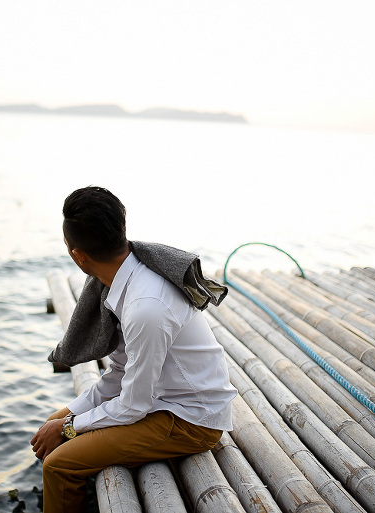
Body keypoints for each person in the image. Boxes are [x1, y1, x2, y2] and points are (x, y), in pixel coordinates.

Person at [31, 186, 237, 513]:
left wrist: (70, 428)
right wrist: (66, 419)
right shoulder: (126, 279)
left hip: (191, 419)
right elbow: (118, 374)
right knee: (51, 424)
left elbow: (133, 405)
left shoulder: (146, 307)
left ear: (78, 255)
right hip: (159, 400)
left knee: (58, 464)